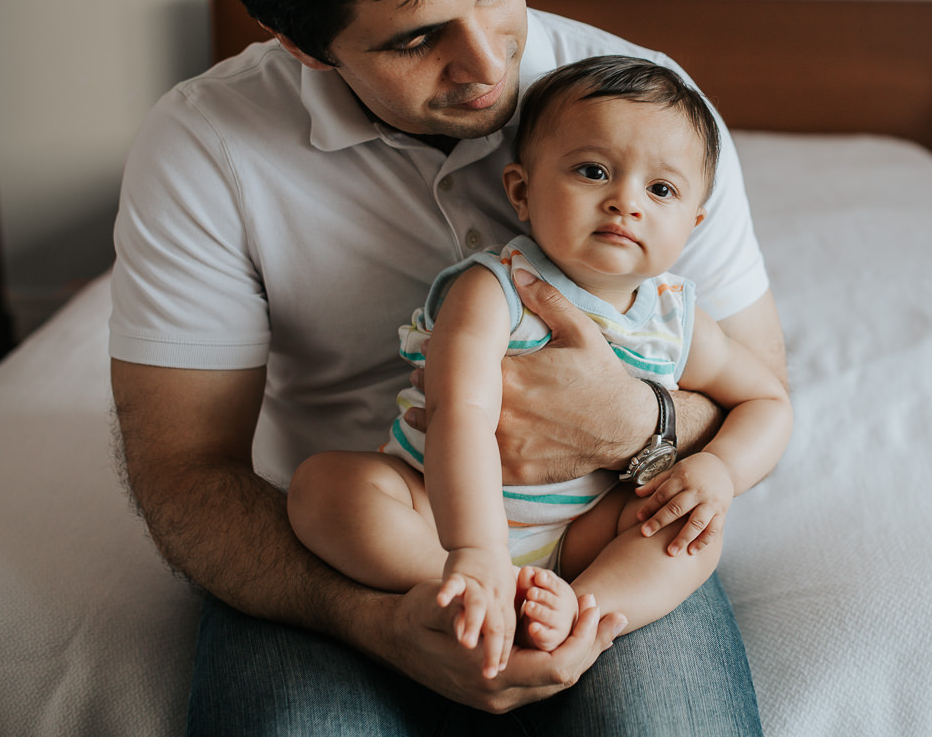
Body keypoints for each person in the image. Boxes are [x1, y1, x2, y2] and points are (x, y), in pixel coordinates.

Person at [108, 0, 786, 735]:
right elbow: (183, 469)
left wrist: (641, 429)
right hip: (358, 545)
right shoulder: (205, 149)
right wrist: (379, 618)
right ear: (307, 45)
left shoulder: (648, 117)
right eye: (420, 38)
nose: (487, 60)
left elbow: (758, 385)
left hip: (601, 517)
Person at [287, 56, 793, 680]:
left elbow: (767, 403)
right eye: (593, 171)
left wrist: (720, 468)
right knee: (325, 488)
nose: (624, 202)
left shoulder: (678, 319)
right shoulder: (497, 288)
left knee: (690, 534)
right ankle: (468, 586)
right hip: (436, 520)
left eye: (660, 189)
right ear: (522, 192)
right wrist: (475, 552)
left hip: (583, 530)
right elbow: (459, 413)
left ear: (692, 223)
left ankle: (584, 611)